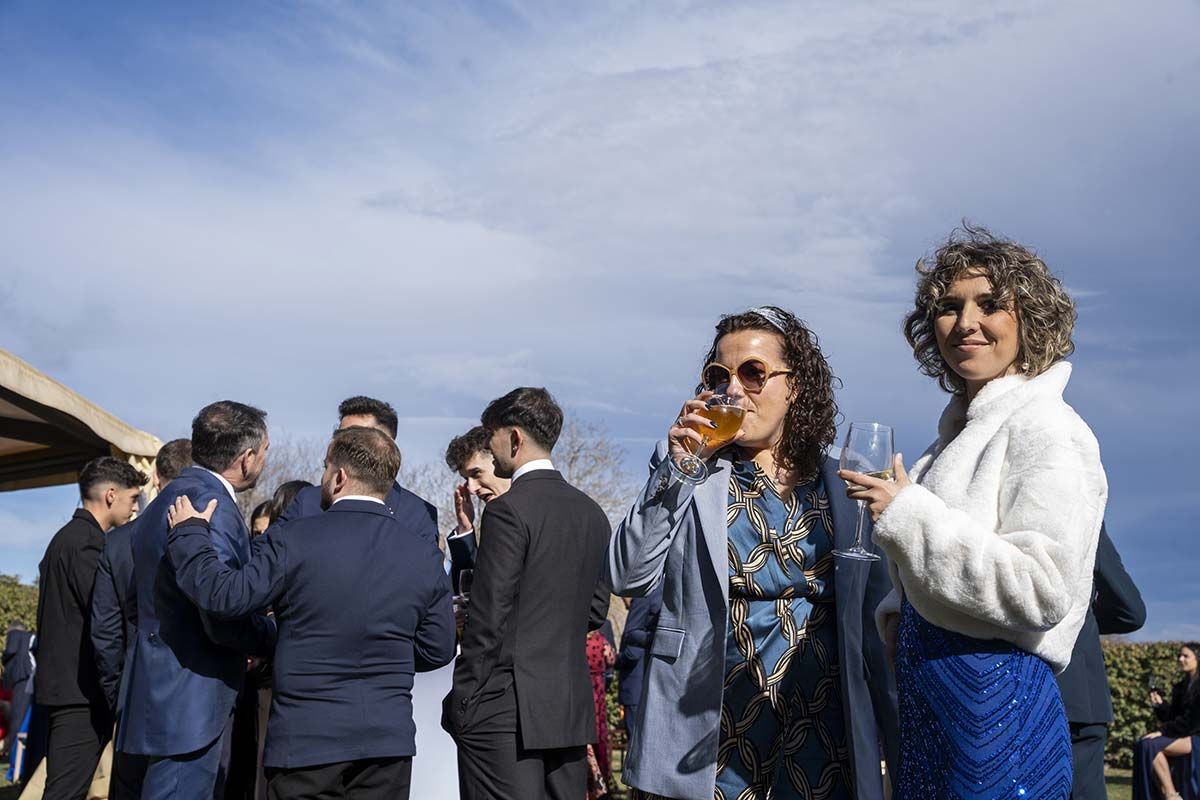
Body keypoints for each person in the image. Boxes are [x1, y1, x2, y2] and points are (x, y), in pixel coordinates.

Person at [853, 225, 1106, 799]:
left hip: (993, 699)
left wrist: (908, 513)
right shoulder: (950, 442)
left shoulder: (1049, 428)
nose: (965, 322)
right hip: (930, 699)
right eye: (948, 306)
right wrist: (898, 624)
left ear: (1030, 321)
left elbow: (1042, 589)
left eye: (990, 304)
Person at [608, 306, 897, 800]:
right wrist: (678, 470)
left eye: (753, 373)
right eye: (720, 375)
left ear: (796, 386)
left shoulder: (840, 481)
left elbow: (876, 616)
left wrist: (886, 721)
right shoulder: (688, 467)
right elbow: (627, 574)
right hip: (706, 723)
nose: (734, 390)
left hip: (821, 725)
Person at [164, 426, 456, 800]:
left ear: (339, 476)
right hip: (387, 744)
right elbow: (438, 648)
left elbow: (226, 597)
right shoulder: (424, 556)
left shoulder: (294, 539)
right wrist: (388, 655)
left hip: (306, 742)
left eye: (324, 468)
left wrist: (189, 535)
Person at [443, 387, 612, 800]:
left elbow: (487, 620)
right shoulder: (593, 514)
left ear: (515, 438)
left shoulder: (508, 510)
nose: (491, 447)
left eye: (493, 437)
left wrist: (462, 701)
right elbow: (594, 611)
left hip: (503, 709)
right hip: (567, 708)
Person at [118, 401, 277, 800]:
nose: (262, 462)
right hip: (191, 694)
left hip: (161, 685)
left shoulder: (164, 499)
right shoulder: (213, 507)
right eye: (264, 452)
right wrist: (268, 636)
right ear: (246, 458)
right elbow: (219, 604)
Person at [34, 456, 146, 800]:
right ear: (111, 495)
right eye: (132, 500)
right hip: (79, 694)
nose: (134, 510)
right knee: (66, 791)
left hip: (68, 690)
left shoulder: (66, 538)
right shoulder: (87, 543)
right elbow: (104, 611)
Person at [90, 438, 192, 800]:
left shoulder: (118, 543)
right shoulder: (206, 537)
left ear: (156, 478)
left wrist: (117, 692)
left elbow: (105, 631)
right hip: (191, 696)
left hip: (134, 693)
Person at [1057, 523, 1146, 800]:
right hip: (1078, 695)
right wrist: (1082, 622)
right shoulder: (1084, 516)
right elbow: (1131, 612)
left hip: (1001, 688)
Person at [274, 396, 438, 546]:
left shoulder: (419, 514)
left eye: (355, 435)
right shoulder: (307, 501)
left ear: (384, 443)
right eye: (339, 434)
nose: (341, 442)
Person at [443, 426, 512, 594]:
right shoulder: (495, 519)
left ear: (499, 462)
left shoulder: (545, 512)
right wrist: (465, 529)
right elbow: (471, 588)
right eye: (466, 479)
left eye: (476, 474)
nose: (472, 489)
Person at [1134, 644, 1200, 800]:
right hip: (1185, 734)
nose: (1180, 659)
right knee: (1143, 744)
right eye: (1179, 656)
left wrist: (1163, 731)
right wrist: (1159, 705)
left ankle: (1170, 795)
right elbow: (1172, 717)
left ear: (1197, 658)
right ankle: (1165, 794)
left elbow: (1194, 721)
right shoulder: (1180, 687)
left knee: (1151, 745)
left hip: (1196, 735)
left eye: (1186, 656)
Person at [614, 585, 662, 741]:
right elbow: (632, 636)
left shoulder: (648, 594)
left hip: (640, 685)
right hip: (638, 686)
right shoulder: (649, 594)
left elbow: (632, 650)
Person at [2, 621, 34, 758]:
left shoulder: (15, 638)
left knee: (17, 721)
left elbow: (10, 651)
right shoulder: (30, 640)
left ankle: (15, 761)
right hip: (30, 677)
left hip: (19, 680)